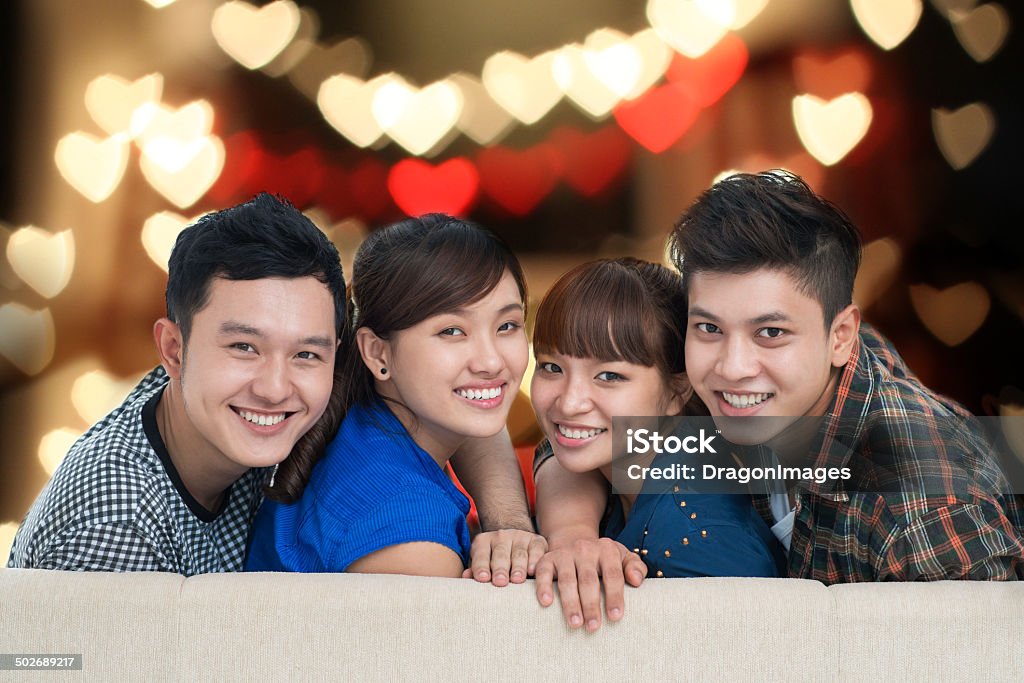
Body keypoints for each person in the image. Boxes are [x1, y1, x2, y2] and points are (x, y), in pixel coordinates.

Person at [523, 171, 1024, 630]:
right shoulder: (723, 392)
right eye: (709, 328)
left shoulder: (924, 503)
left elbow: (977, 660)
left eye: (770, 332)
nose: (732, 367)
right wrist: (572, 537)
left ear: (841, 335)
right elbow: (584, 424)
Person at [7, 193, 345, 574]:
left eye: (306, 355)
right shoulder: (119, 526)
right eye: (244, 347)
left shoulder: (217, 422)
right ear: (173, 350)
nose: (275, 389)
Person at [245, 214, 542, 576]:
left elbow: (479, 428)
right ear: (377, 353)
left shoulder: (366, 417)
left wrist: (509, 524)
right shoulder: (413, 543)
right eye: (451, 331)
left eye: (507, 325)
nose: (491, 362)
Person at [529, 257, 784, 580]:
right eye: (551, 367)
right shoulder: (617, 472)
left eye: (609, 375)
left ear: (677, 390)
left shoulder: (697, 542)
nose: (569, 403)